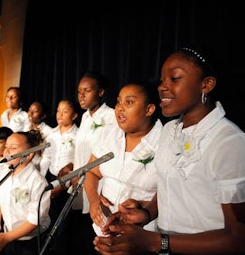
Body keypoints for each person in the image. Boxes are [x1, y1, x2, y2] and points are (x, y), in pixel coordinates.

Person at [93, 46, 245, 255]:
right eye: (162, 80)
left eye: (174, 78)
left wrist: (154, 242)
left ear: (206, 85)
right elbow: (168, 188)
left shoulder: (231, 144)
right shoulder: (169, 130)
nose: (162, 87)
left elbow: (239, 240)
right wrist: (146, 213)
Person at [84, 82, 163, 237]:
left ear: (149, 109)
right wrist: (94, 201)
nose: (120, 107)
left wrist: (143, 206)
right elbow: (91, 172)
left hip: (143, 235)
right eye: (119, 101)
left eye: (129, 102)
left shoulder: (164, 141)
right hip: (103, 228)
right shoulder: (110, 134)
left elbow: (171, 193)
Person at [69, 70, 117, 255]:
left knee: (98, 233)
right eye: (79, 91)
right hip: (80, 181)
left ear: (101, 92)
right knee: (81, 234)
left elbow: (107, 153)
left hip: (98, 182)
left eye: (87, 91)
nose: (81, 95)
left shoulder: (112, 116)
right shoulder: (85, 116)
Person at [0, 131, 51, 255]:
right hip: (8, 235)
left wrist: (7, 237)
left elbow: (34, 219)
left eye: (13, 148)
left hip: (32, 241)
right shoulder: (2, 172)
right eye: (7, 146)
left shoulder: (38, 182)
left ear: (29, 155)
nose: (6, 151)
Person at [39, 98, 79, 255]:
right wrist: (42, 180)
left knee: (62, 223)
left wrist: (64, 184)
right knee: (47, 218)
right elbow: (46, 158)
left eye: (65, 111)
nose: (60, 114)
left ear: (74, 115)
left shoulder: (78, 134)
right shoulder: (52, 134)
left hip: (67, 183)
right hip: (50, 178)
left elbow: (78, 160)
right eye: (58, 110)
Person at [27, 100, 53, 171]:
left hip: (38, 168)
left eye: (35, 111)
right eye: (29, 110)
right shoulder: (26, 128)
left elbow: (47, 155)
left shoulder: (49, 132)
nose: (30, 113)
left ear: (43, 115)